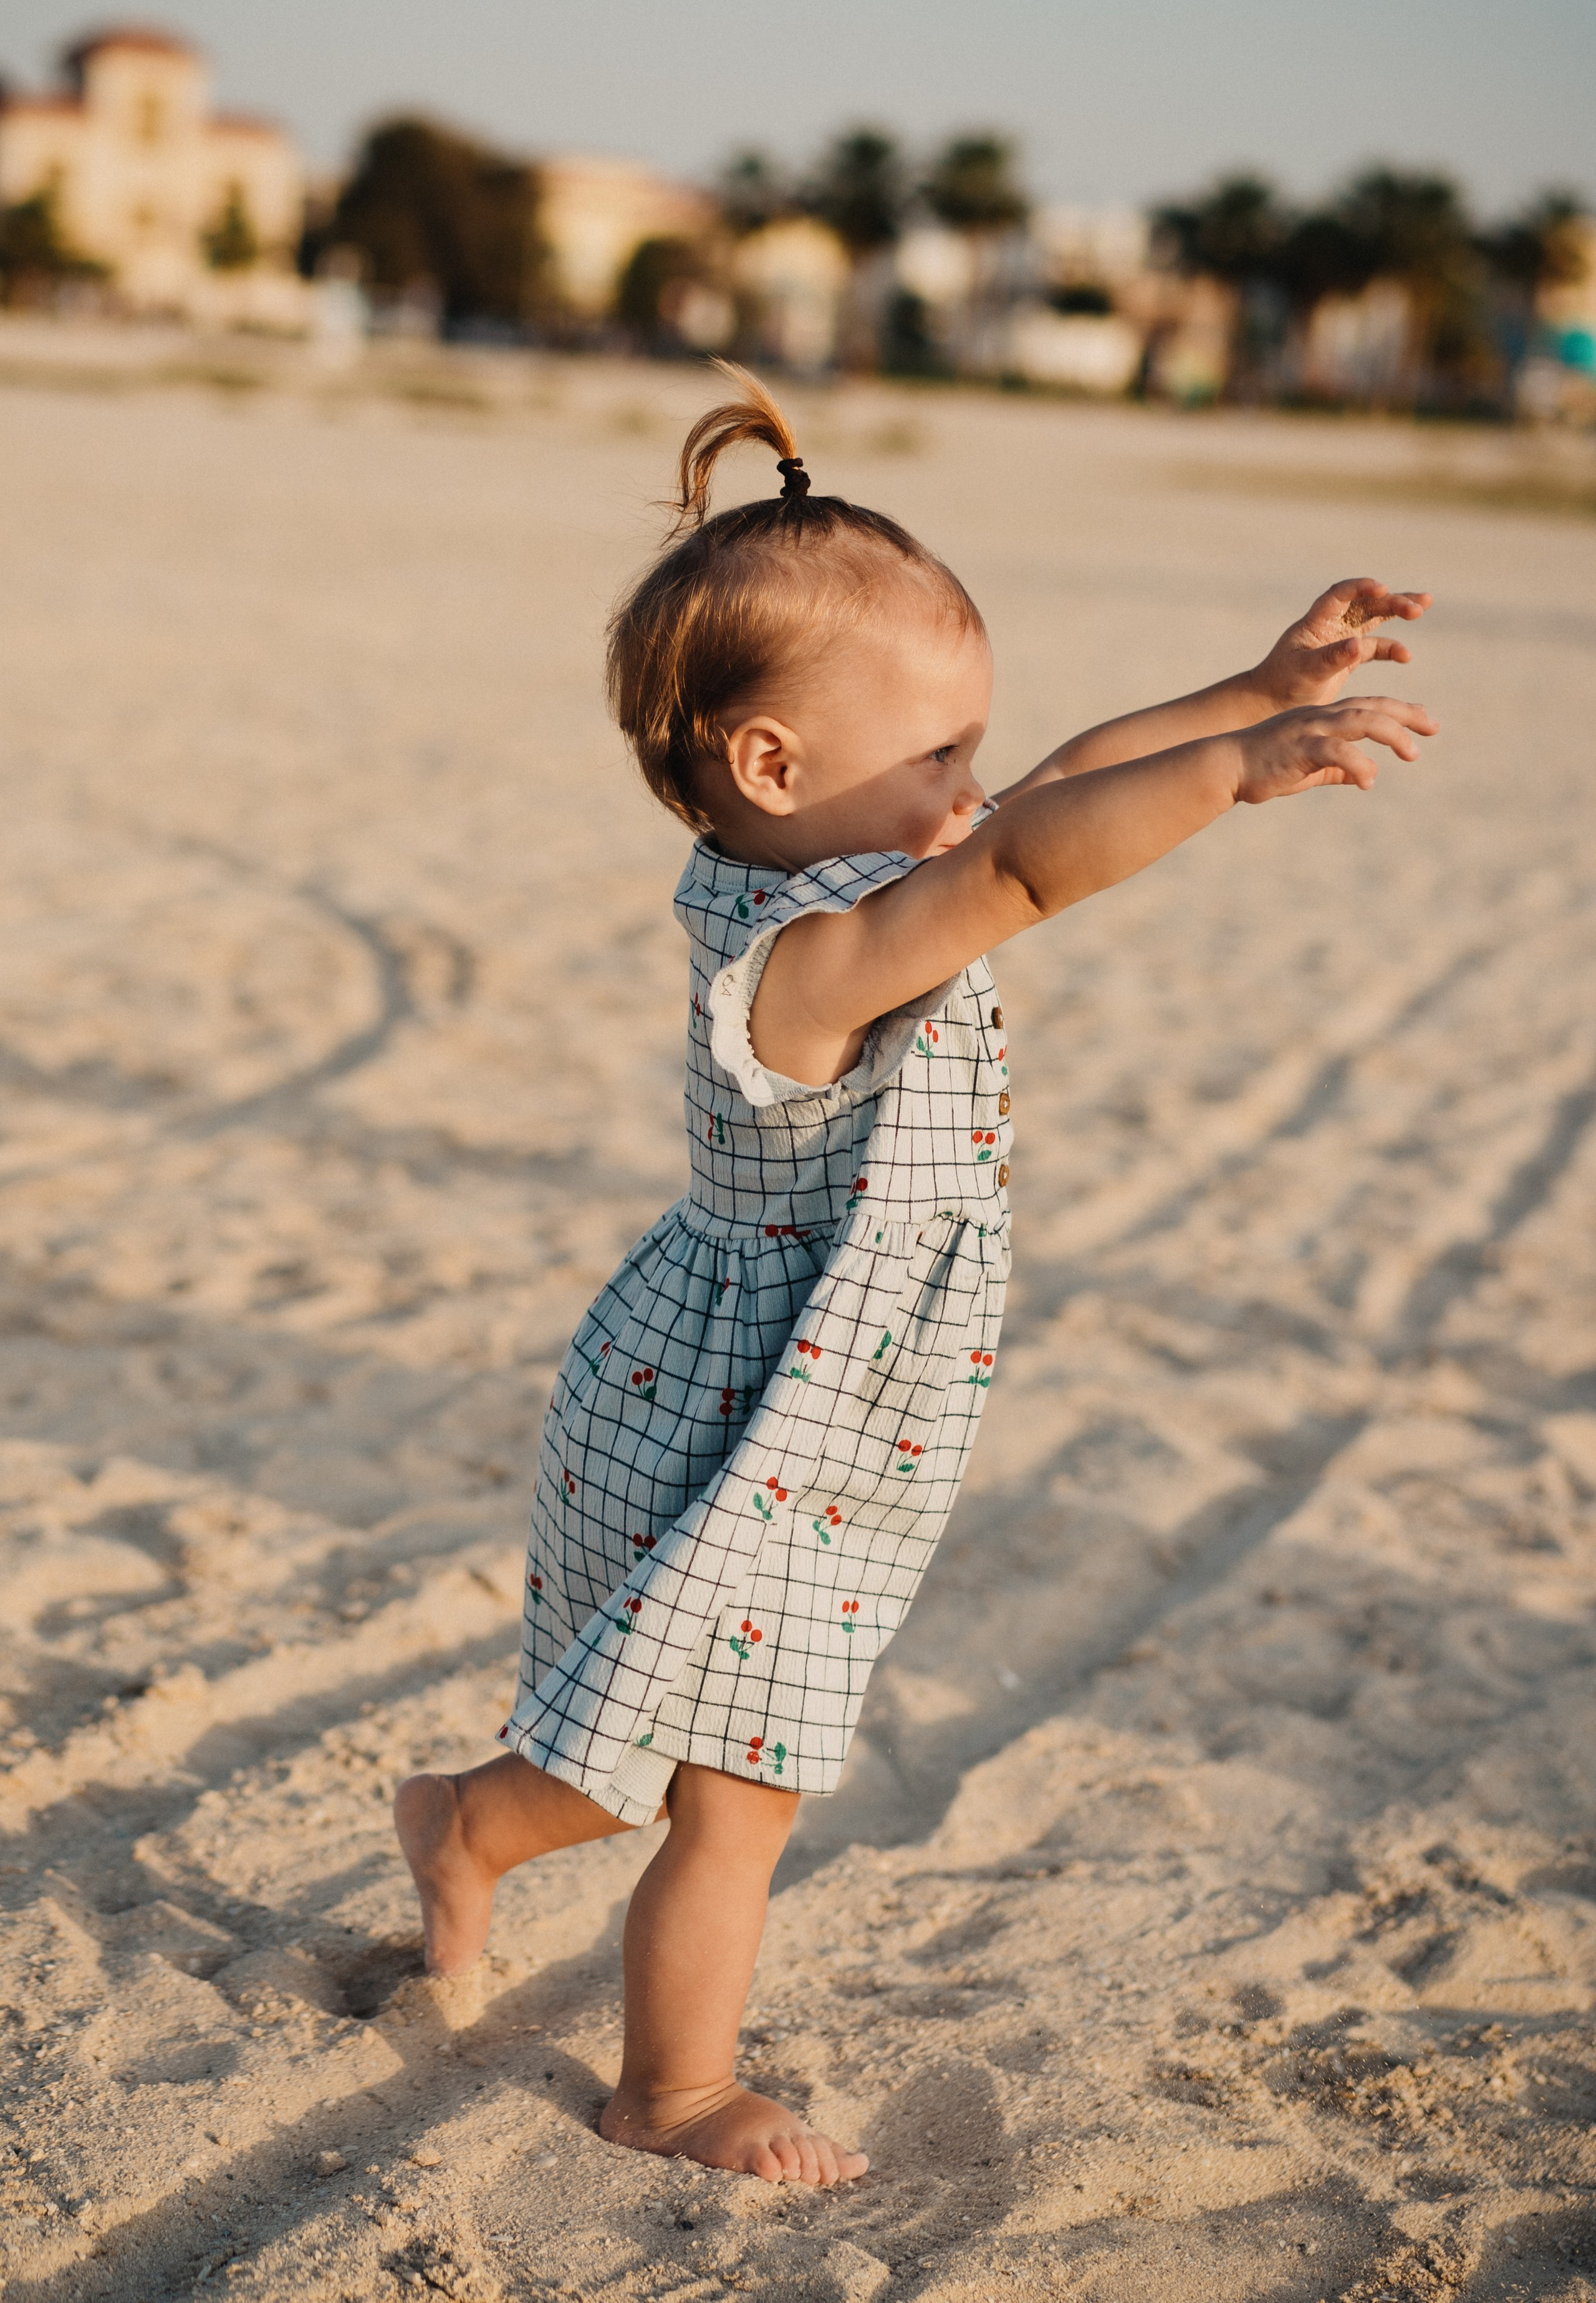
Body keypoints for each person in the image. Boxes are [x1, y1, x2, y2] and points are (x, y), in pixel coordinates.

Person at [397, 364, 1434, 2186]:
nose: (972, 787)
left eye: (971, 747)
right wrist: (1238, 775)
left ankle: (468, 1823)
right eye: (934, 756)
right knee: (737, 1792)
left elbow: (1050, 788)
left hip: (774, 1398)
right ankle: (676, 2089)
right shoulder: (804, 960)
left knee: (643, 1740)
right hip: (733, 1410)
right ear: (772, 767)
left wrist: (1250, 692)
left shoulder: (865, 863)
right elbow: (1031, 861)